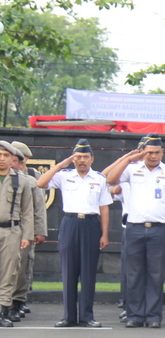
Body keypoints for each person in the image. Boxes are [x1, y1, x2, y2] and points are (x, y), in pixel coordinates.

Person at [105, 134, 165, 328]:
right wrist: (130, 159)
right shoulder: (132, 170)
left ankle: (153, 316)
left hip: (159, 229)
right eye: (149, 152)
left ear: (162, 152)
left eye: (156, 152)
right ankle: (134, 315)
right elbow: (110, 179)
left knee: (156, 275)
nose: (153, 156)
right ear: (143, 153)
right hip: (135, 228)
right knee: (134, 274)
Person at [36, 138, 112, 327]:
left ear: (92, 159)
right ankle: (68, 316)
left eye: (85, 157)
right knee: (69, 272)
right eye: (78, 157)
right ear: (73, 159)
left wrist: (104, 234)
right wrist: (62, 164)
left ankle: (87, 316)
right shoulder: (64, 176)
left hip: (91, 224)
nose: (82, 160)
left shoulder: (99, 179)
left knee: (88, 272)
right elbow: (41, 183)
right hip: (70, 223)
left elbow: (104, 208)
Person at [0, 140, 35, 327]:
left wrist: (26, 236)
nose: (2, 159)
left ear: (12, 158)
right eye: (0, 155)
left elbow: (28, 210)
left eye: (6, 156)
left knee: (8, 274)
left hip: (11, 230)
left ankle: (3, 311)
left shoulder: (20, 180)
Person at [9, 141, 46, 320]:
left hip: (24, 227)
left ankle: (17, 301)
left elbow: (38, 208)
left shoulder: (31, 179)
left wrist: (39, 231)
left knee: (23, 266)